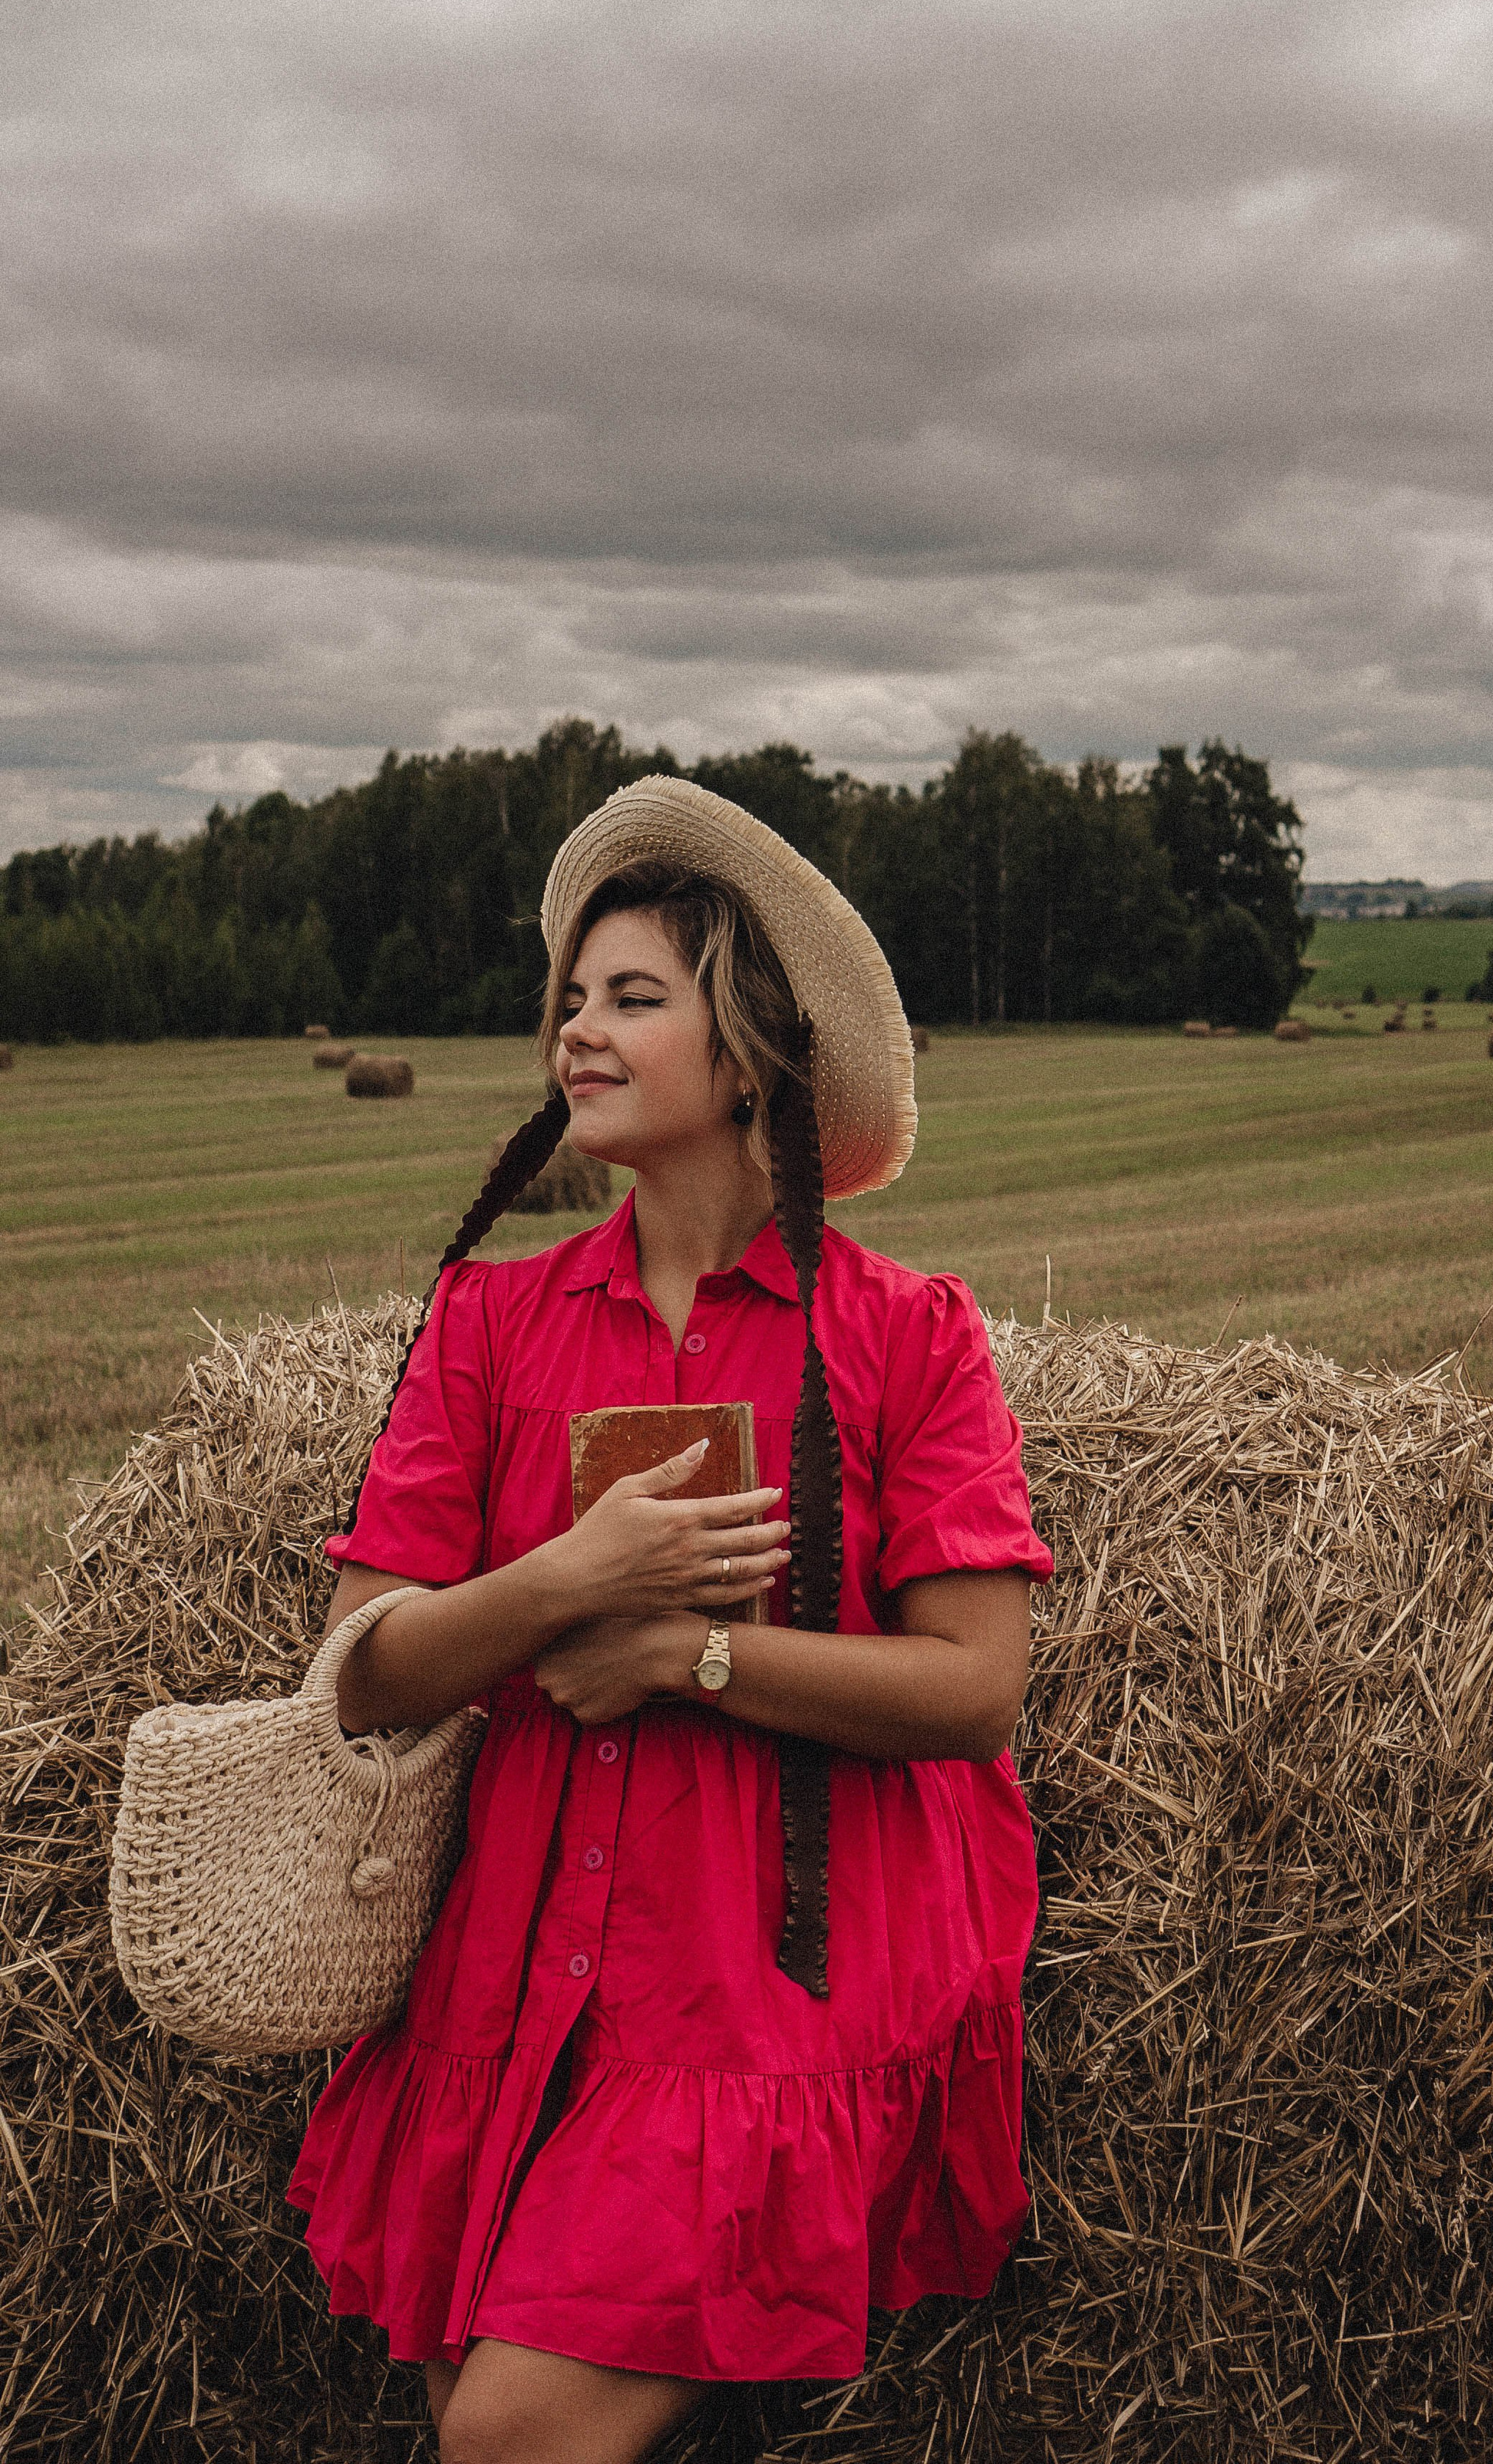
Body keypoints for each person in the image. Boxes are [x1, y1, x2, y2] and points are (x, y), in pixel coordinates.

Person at [288, 777, 1053, 2464]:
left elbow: (974, 1690)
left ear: (749, 1051)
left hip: (762, 1981)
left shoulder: (903, 1335)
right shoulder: (488, 1322)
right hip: (508, 1970)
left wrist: (688, 1656)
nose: (577, 1030)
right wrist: (572, 1581)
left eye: (631, 998)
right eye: (570, 998)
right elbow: (359, 1676)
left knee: (505, 2438)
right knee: (492, 2424)